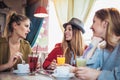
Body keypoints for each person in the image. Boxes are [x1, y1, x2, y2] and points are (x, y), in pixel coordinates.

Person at [74, 8, 120, 80]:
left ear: (105, 24)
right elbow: (84, 70)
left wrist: (97, 74)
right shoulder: (102, 49)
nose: (91, 27)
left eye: (94, 21)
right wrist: (94, 43)